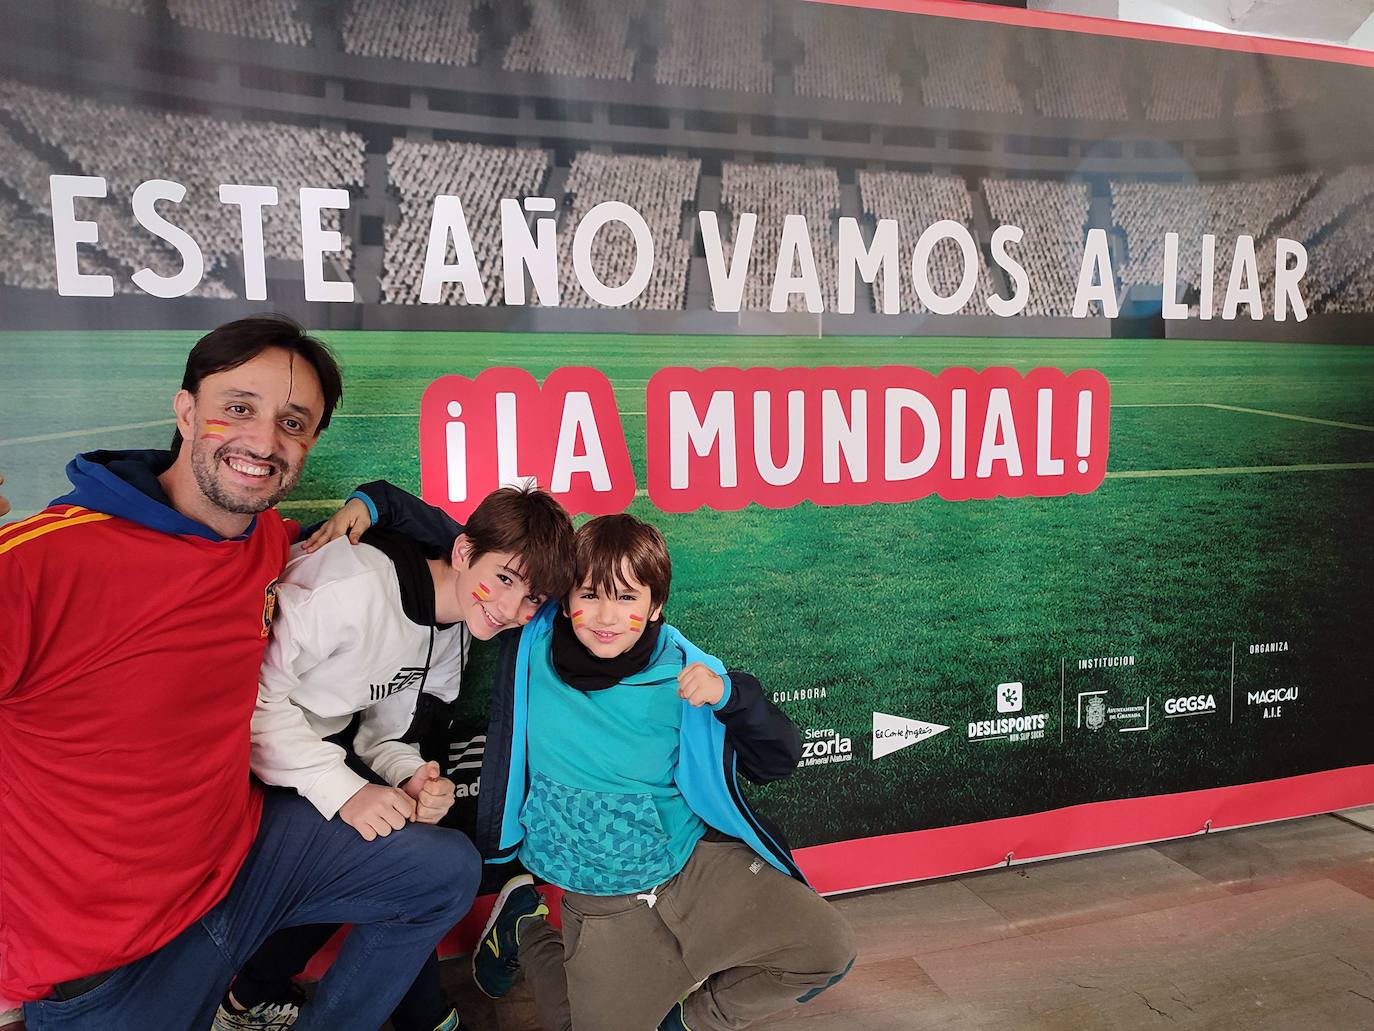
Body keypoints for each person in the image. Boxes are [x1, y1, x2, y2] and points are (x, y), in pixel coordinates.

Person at [0, 315, 481, 1031]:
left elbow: (473, 554)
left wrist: (379, 500)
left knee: (439, 870)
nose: (263, 440)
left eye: (292, 421)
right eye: (238, 408)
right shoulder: (40, 562)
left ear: (310, 442)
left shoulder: (269, 546)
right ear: (187, 410)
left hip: (237, 862)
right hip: (107, 955)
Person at [469, 513, 856, 1031]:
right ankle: (525, 931)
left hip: (691, 869)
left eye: (627, 597)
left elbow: (779, 757)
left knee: (826, 948)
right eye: (589, 594)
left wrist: (732, 697)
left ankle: (684, 1024)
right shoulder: (533, 643)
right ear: (565, 599)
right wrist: (375, 505)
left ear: (656, 607)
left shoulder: (685, 668)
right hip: (603, 896)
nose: (606, 615)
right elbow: (475, 546)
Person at [214, 485, 574, 1031]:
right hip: (238, 772)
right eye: (504, 579)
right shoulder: (345, 586)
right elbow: (245, 706)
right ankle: (406, 1014)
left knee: (395, 852)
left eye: (533, 599)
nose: (511, 610)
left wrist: (411, 777)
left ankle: (251, 997)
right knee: (378, 851)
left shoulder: (456, 634)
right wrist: (347, 793)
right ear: (462, 552)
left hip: (310, 757)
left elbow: (384, 735)